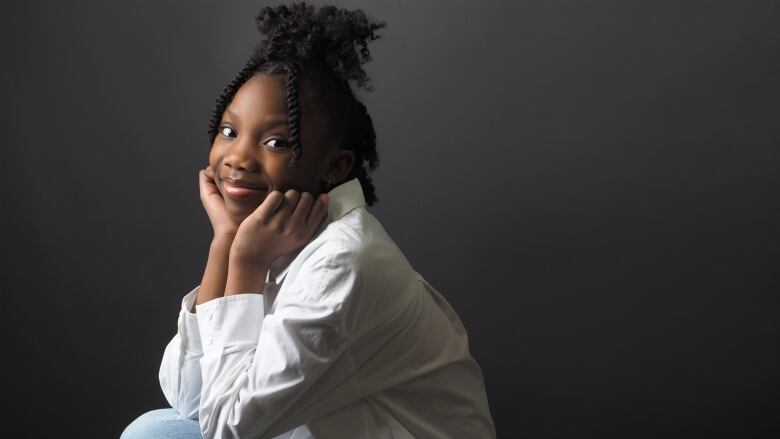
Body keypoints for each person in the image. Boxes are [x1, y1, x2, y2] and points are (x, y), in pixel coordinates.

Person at [121, 3, 495, 438]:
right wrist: (223, 244)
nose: (239, 157)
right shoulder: (275, 234)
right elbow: (190, 399)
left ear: (335, 168)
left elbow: (228, 427)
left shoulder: (342, 261)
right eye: (229, 131)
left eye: (276, 141)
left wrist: (244, 263)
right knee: (158, 429)